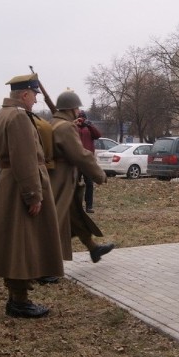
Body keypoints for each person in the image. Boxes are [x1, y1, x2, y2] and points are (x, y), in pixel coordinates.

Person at [0, 74, 63, 319]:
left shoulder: (2, 115)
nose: (35, 100)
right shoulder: (19, 116)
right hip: (22, 185)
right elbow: (25, 160)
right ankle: (19, 301)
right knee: (22, 245)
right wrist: (33, 195)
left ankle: (16, 298)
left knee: (14, 244)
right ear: (24, 95)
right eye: (34, 95)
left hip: (10, 184)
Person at [50, 90, 115, 264]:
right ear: (71, 108)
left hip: (60, 179)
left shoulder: (54, 123)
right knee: (54, 222)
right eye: (77, 107)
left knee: (75, 215)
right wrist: (99, 175)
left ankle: (93, 247)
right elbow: (80, 155)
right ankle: (46, 265)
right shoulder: (66, 126)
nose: (78, 111)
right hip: (62, 180)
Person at [75, 111, 101, 213]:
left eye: (83, 118)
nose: (81, 120)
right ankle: (76, 205)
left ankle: (89, 205)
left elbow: (98, 135)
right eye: (79, 118)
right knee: (75, 184)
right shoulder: (74, 128)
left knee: (89, 183)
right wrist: (75, 124)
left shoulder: (88, 129)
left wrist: (89, 125)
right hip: (76, 160)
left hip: (87, 161)